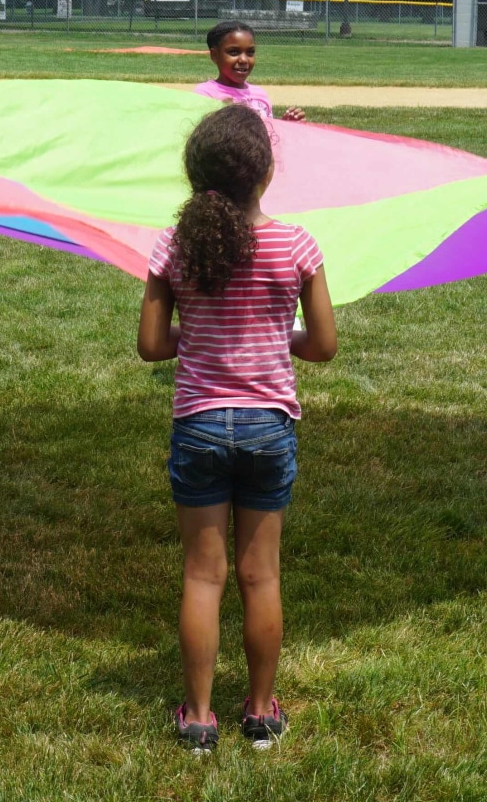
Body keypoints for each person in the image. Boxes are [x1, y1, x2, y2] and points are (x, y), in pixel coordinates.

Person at [138, 104, 338, 753]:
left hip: (197, 424)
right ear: (266, 173)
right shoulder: (298, 244)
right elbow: (324, 345)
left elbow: (149, 344)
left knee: (202, 576)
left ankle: (198, 717)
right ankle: (259, 711)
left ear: (194, 174)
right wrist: (279, 337)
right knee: (261, 576)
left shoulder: (173, 247)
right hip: (268, 427)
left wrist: (196, 334)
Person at [192, 20, 306, 122]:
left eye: (250, 52)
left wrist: (285, 125)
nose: (243, 59)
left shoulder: (260, 95)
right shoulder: (205, 94)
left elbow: (269, 134)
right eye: (234, 52)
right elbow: (202, 137)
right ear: (215, 55)